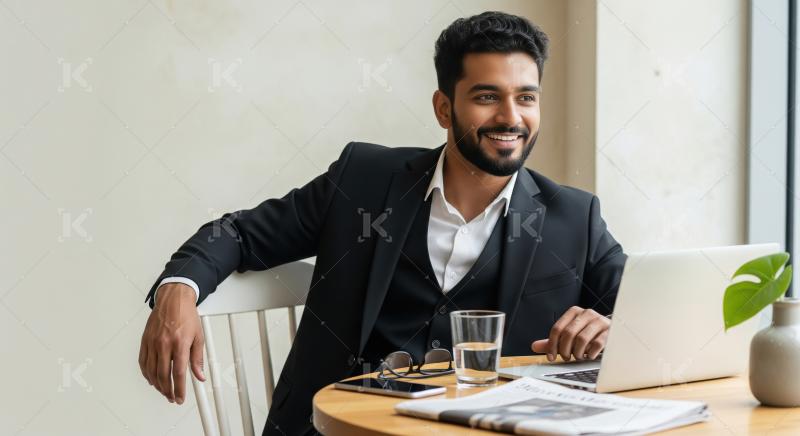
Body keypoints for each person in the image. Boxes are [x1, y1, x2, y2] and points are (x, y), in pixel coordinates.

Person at [138, 11, 626, 435]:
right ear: (443, 108)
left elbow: (651, 322)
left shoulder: (573, 217)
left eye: (526, 97)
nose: (510, 117)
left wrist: (611, 329)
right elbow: (238, 234)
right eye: (486, 97)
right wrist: (178, 290)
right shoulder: (363, 181)